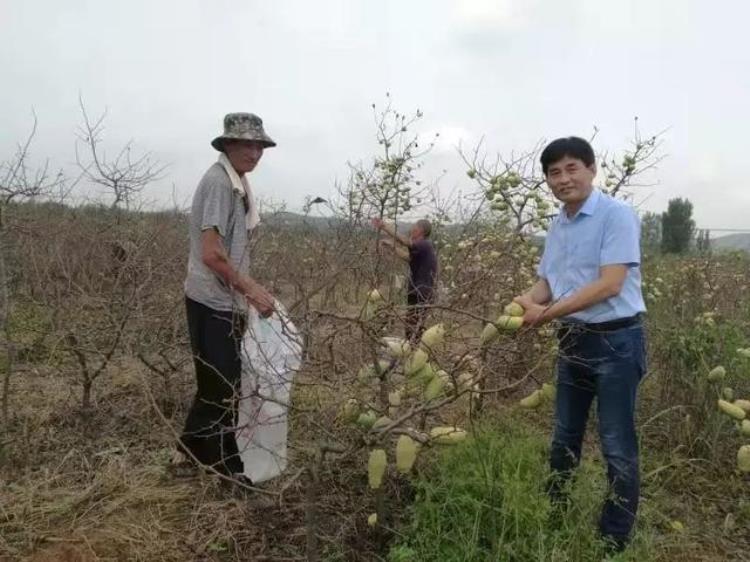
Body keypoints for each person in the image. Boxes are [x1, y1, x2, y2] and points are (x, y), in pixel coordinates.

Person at [512, 137, 647, 553]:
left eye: (572, 168)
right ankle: (555, 512)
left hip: (616, 342)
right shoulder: (558, 224)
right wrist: (524, 303)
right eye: (554, 172)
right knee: (564, 436)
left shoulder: (616, 215)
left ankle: (613, 538)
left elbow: (610, 284)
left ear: (591, 169)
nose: (563, 178)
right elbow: (549, 283)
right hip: (572, 339)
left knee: (616, 445)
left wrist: (543, 314)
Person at [174, 112, 276, 483]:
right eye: (246, 144)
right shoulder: (219, 184)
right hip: (210, 301)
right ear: (228, 145)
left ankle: (189, 449)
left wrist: (245, 290)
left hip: (224, 301)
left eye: (259, 145)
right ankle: (226, 470)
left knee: (217, 382)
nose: (254, 152)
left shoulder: (238, 185)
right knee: (223, 387)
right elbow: (212, 253)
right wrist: (250, 288)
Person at [372, 218, 438, 341]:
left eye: (415, 227)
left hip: (422, 292)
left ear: (421, 230)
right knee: (411, 323)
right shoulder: (421, 248)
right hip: (415, 289)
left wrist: (385, 227)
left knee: (414, 324)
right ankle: (411, 350)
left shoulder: (425, 244)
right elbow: (408, 257)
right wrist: (391, 246)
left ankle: (414, 351)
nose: (412, 229)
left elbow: (405, 242)